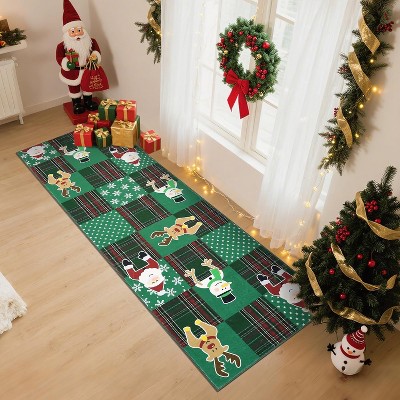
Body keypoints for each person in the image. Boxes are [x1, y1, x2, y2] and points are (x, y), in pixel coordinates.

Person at [56, 0, 102, 114]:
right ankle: (76, 103)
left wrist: (95, 56)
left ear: (83, 30)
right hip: (72, 72)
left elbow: (97, 51)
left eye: (79, 30)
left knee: (87, 87)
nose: (77, 33)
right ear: (67, 32)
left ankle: (88, 101)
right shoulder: (62, 46)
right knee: (74, 88)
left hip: (87, 69)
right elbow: (59, 57)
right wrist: (66, 63)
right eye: (73, 31)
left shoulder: (91, 41)